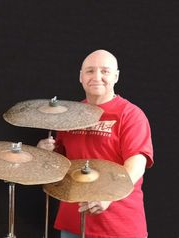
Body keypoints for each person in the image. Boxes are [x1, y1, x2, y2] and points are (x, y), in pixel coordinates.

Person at [37, 49, 153, 238]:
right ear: (80, 77)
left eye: (105, 71)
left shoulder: (130, 115)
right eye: (90, 71)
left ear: (116, 76)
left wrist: (109, 195)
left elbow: (136, 166)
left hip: (117, 226)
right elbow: (58, 165)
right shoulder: (69, 115)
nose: (97, 77)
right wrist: (42, 152)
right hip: (72, 223)